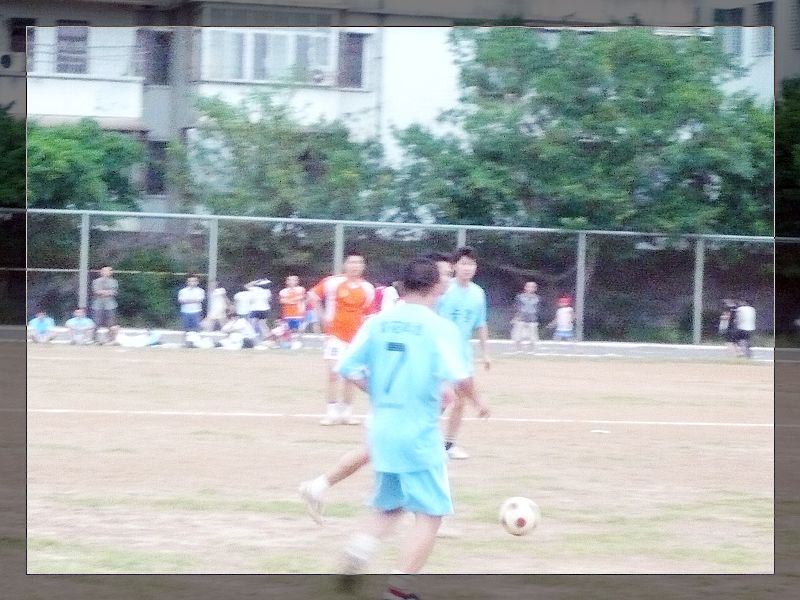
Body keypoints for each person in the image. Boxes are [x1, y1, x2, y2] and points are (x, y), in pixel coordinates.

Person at [299, 252, 490, 525]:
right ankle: (428, 517)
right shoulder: (415, 312)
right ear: (431, 281)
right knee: (402, 453)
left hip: (409, 399)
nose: (447, 278)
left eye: (449, 273)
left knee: (379, 452)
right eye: (444, 274)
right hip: (402, 402)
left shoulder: (446, 303)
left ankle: (321, 488)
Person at [334, 256, 472, 600]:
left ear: (402, 285)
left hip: (383, 429)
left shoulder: (377, 322)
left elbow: (348, 367)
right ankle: (398, 591)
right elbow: (460, 378)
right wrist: (479, 402)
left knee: (389, 506)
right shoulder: (439, 327)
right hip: (418, 432)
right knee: (431, 513)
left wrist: (378, 392)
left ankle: (359, 549)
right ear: (437, 286)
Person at [435, 246, 491, 460]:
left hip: (462, 354)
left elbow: (481, 324)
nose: (468, 268)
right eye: (463, 263)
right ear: (454, 266)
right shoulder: (444, 290)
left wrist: (486, 353)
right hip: (441, 353)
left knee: (459, 400)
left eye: (471, 264)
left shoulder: (478, 293)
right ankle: (422, 438)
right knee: (443, 398)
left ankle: (449, 445)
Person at [307, 254, 375, 426]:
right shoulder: (333, 283)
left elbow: (369, 315)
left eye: (359, 262)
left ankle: (346, 413)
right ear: (345, 264)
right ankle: (331, 412)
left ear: (363, 266)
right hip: (335, 336)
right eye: (352, 262)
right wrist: (322, 318)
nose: (355, 265)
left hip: (356, 339)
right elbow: (313, 295)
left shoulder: (368, 288)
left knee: (351, 376)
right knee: (333, 373)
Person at [91, 265, 119, 344]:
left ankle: (111, 340)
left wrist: (103, 292)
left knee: (111, 323)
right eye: (104, 271)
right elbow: (96, 291)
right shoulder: (96, 281)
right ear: (101, 272)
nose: (106, 273)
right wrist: (107, 292)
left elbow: (113, 292)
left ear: (110, 273)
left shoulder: (114, 282)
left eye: (108, 271)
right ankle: (94, 339)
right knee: (96, 322)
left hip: (110, 305)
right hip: (97, 305)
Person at [510, 281, 540, 353]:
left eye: (533, 287)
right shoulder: (519, 297)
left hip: (532, 319)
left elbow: (538, 309)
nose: (530, 288)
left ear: (535, 289)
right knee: (518, 335)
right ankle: (518, 350)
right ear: (525, 288)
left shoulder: (537, 298)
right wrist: (515, 317)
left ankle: (531, 350)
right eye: (528, 287)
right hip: (520, 318)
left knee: (533, 336)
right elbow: (515, 307)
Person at [278, 275, 306, 347]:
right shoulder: (283, 291)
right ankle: (288, 343)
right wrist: (293, 300)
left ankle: (298, 342)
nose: (292, 282)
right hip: (287, 314)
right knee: (287, 329)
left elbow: (301, 298)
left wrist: (290, 301)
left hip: (298, 313)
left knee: (299, 329)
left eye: (294, 280)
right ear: (287, 282)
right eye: (290, 280)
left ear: (297, 281)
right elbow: (282, 301)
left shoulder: (301, 289)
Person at [178, 274, 205, 344]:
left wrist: (187, 300)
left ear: (197, 282)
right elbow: (181, 300)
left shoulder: (201, 291)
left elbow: (200, 299)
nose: (192, 283)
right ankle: (185, 343)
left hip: (196, 312)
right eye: (190, 281)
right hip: (185, 312)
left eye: (194, 281)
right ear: (187, 282)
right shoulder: (182, 291)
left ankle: (196, 343)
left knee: (196, 329)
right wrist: (193, 300)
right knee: (185, 329)